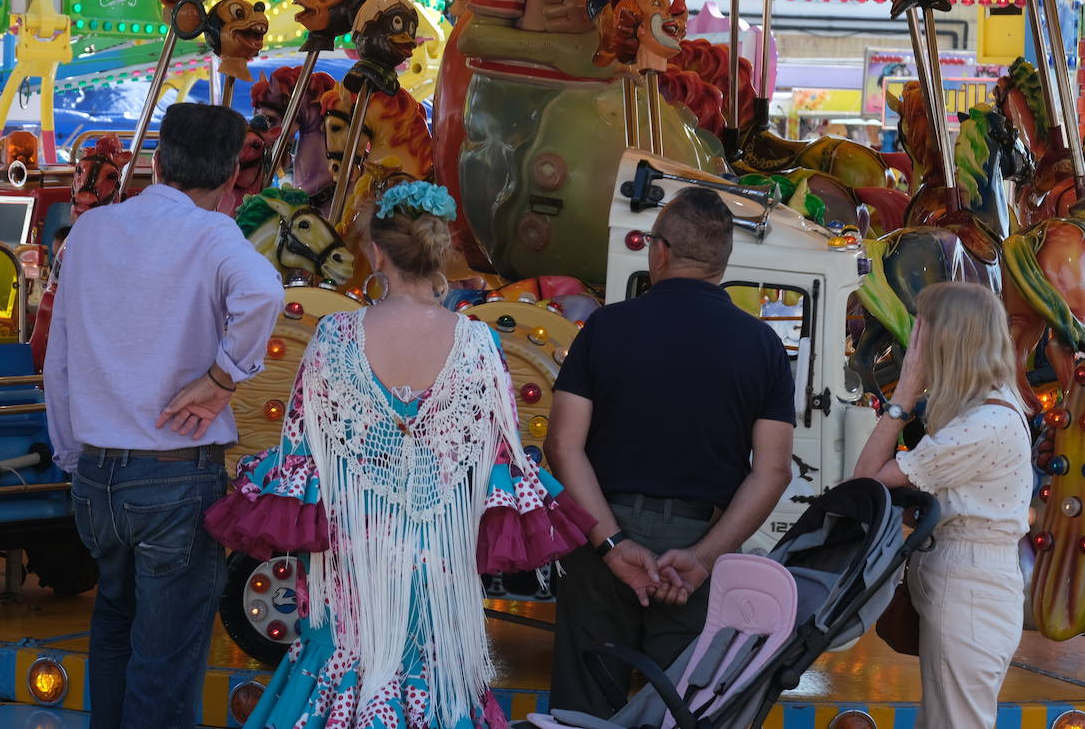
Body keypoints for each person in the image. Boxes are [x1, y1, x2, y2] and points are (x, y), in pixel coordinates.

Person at [204, 180, 594, 728]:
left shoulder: (335, 336)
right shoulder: (478, 344)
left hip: (353, 562)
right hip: (440, 563)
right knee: (438, 681)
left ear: (377, 252)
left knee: (337, 674)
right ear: (439, 251)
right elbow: (501, 465)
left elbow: (300, 458)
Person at [44, 102, 284, 729]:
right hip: (173, 475)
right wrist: (221, 378)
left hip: (98, 476)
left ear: (159, 160)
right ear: (233, 173)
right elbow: (264, 294)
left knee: (114, 625)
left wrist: (73, 456)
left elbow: (60, 357)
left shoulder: (93, 232)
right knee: (166, 656)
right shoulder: (212, 234)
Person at [546, 186, 796, 715]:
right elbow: (772, 471)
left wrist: (612, 545)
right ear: (723, 263)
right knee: (680, 709)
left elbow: (563, 447)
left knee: (583, 711)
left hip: (599, 537)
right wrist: (704, 558)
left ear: (658, 251)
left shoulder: (604, 329)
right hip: (698, 545)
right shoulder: (763, 346)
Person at [852, 282, 1030, 729]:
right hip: (970, 580)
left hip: (970, 586)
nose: (913, 343)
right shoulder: (986, 408)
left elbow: (865, 481)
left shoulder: (982, 424)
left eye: (920, 331)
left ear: (948, 339)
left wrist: (903, 396)